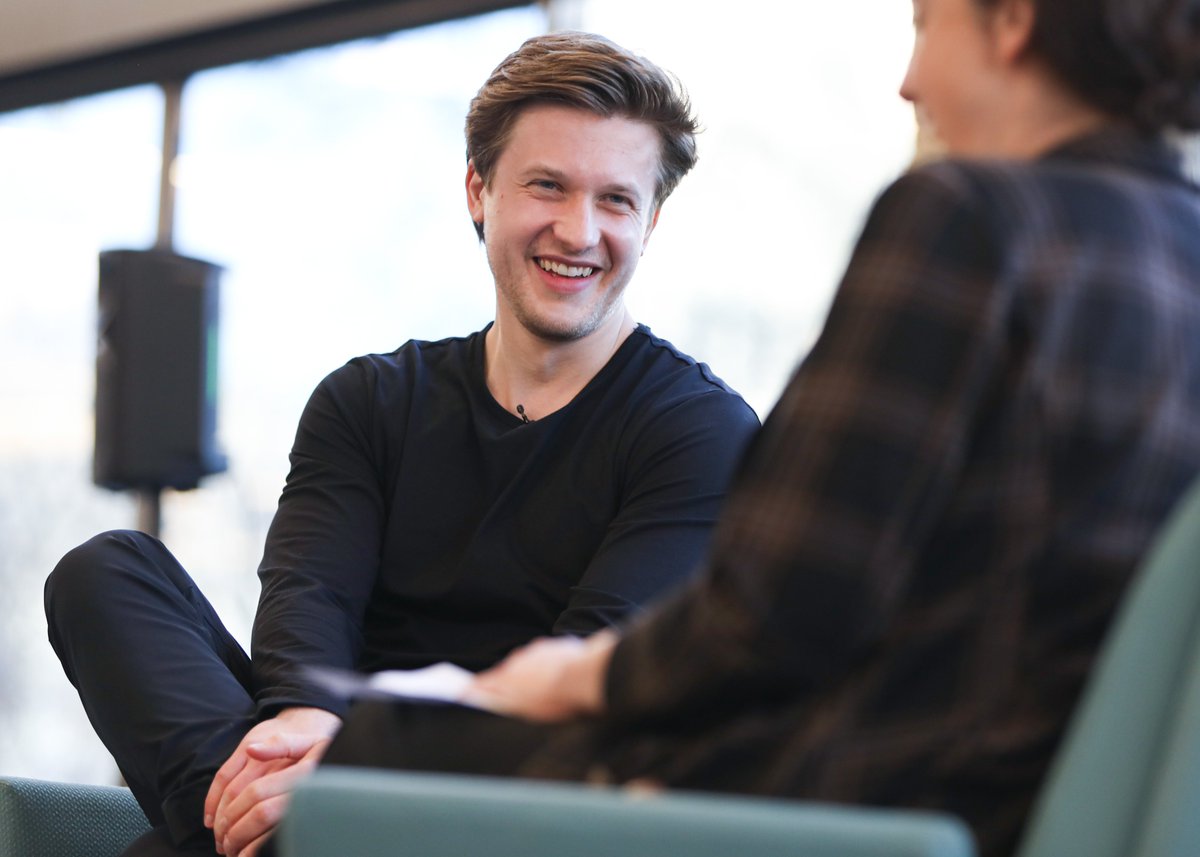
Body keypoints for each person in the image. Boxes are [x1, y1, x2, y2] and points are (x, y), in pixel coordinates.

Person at [310, 2, 1200, 857]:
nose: (909, 80)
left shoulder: (969, 219)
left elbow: (773, 616)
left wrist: (570, 676)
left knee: (382, 745)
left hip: (856, 798)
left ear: (1014, 19)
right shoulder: (1181, 249)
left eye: (926, 22)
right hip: (1010, 807)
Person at [44, 32, 759, 857]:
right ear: (478, 191)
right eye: (547, 186)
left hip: (517, 804)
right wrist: (308, 722)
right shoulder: (369, 400)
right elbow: (311, 597)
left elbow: (577, 681)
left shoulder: (701, 431)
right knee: (104, 573)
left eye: (616, 201)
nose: (578, 229)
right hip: (331, 756)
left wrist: (346, 770)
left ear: (652, 220)